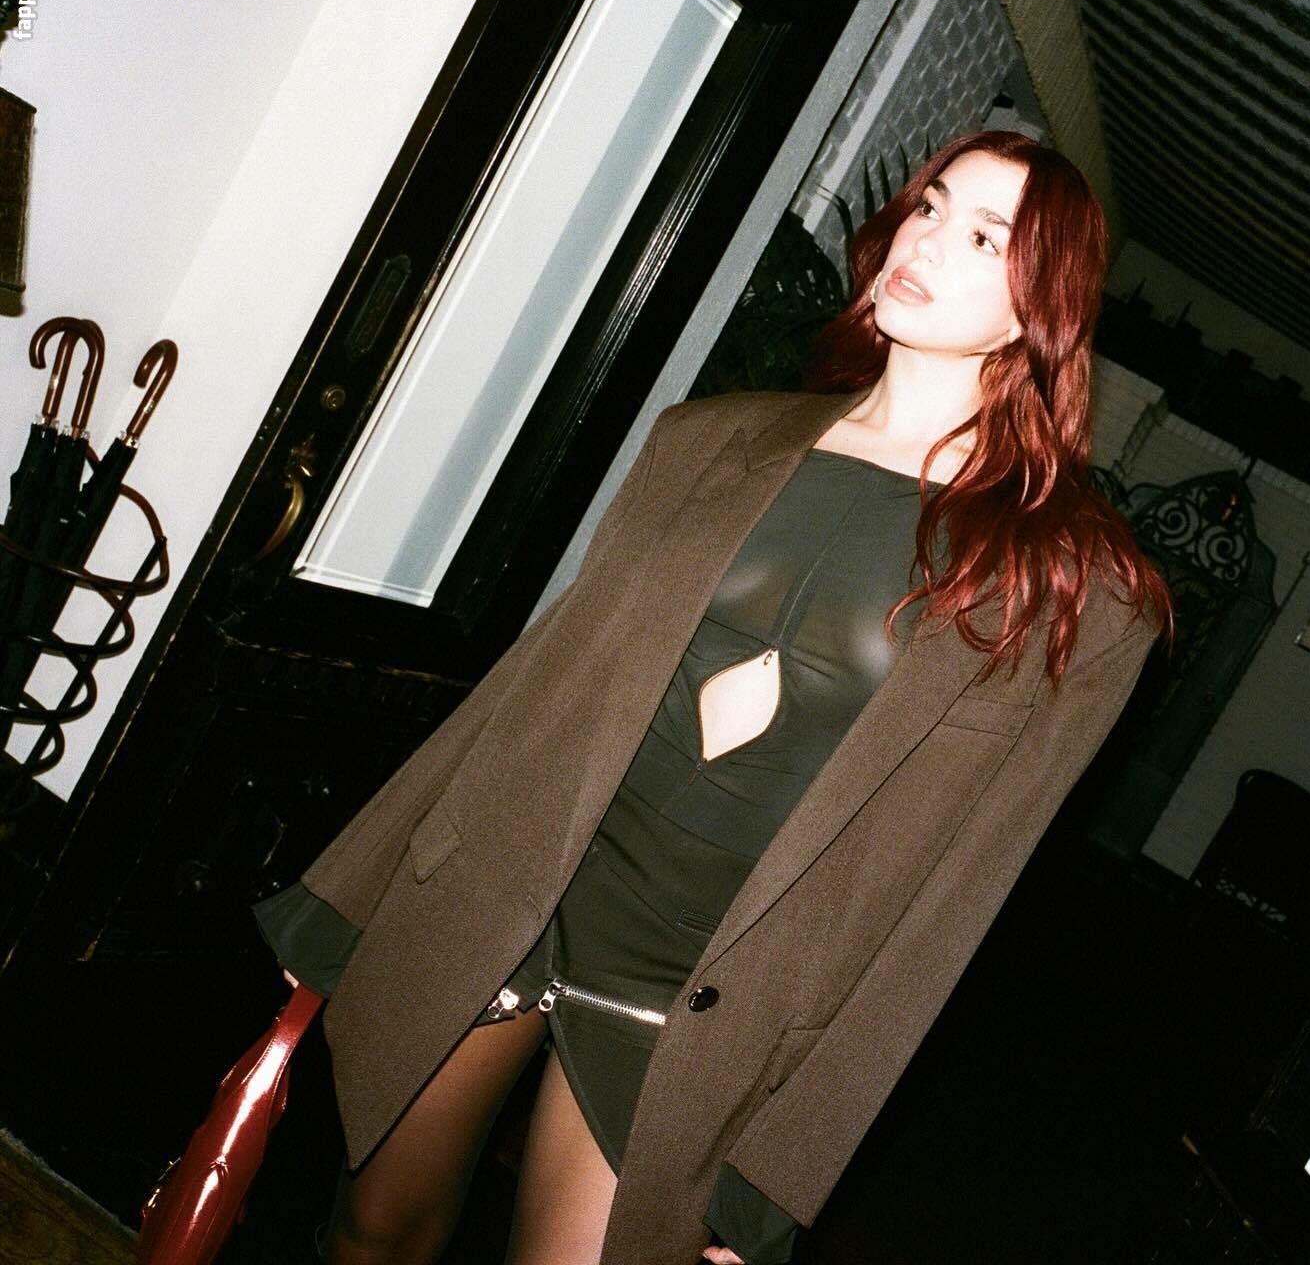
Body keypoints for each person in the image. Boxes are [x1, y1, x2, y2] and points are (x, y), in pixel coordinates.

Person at [253, 128, 1172, 1265]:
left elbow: (947, 909)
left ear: (1046, 309)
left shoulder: (1076, 593)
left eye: (987, 238)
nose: (929, 241)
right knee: (372, 1230)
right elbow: (535, 688)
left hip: (702, 993)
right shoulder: (708, 441)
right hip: (517, 890)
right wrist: (355, 895)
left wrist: (778, 1171)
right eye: (932, 206)